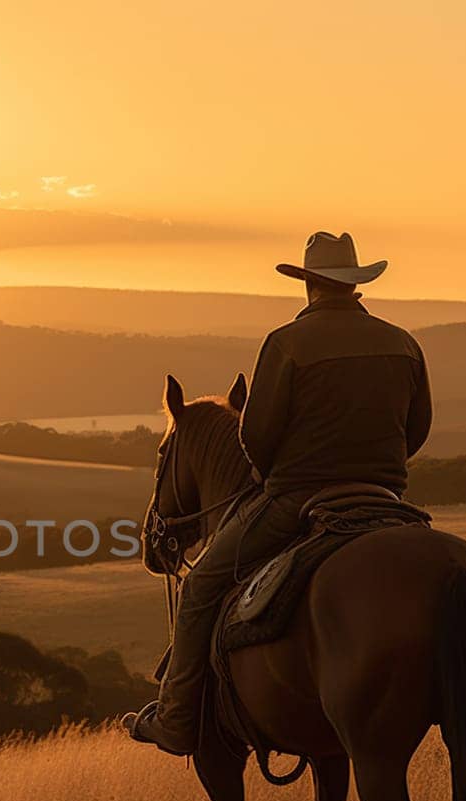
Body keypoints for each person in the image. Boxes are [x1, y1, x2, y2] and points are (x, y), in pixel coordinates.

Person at [127, 231, 432, 756]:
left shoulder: (286, 343)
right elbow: (419, 427)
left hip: (295, 499)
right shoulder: (402, 341)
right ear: (355, 284)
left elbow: (254, 436)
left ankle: (177, 720)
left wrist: (274, 476)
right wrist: (383, 471)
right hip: (385, 497)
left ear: (309, 284)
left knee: (200, 589)